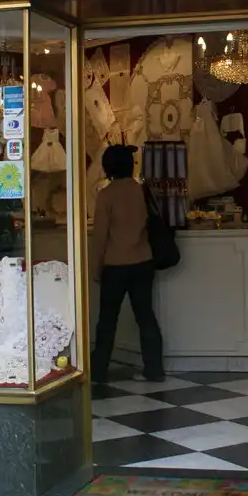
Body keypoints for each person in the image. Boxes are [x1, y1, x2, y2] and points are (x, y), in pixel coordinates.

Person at [90, 145, 165, 382]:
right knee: (145, 317)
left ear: (107, 167)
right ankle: (154, 369)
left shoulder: (106, 195)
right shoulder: (142, 190)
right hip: (143, 261)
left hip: (115, 265)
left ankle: (99, 370)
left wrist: (95, 268)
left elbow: (100, 236)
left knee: (107, 320)